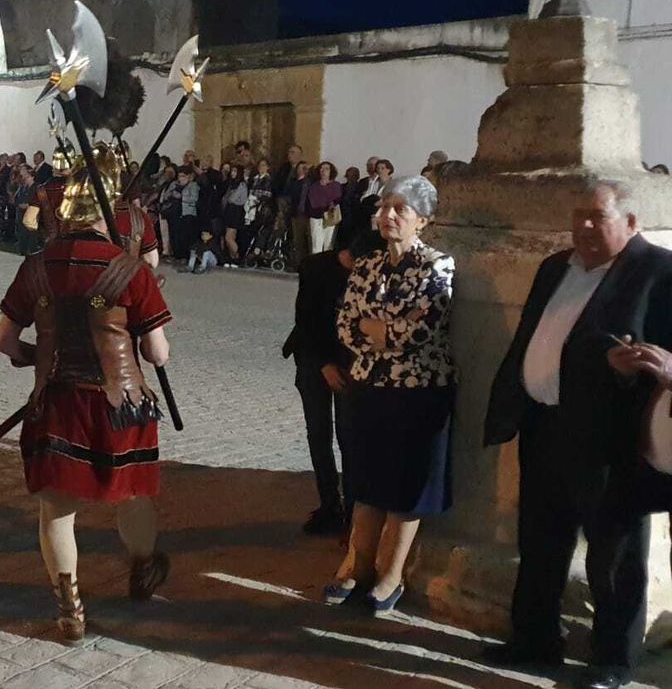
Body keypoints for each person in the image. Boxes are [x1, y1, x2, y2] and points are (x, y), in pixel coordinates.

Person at [482, 180, 672, 689]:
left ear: (631, 223)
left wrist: (661, 364)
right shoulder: (554, 267)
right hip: (544, 425)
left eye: (598, 216)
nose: (584, 227)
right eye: (578, 216)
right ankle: (536, 640)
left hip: (612, 442)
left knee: (614, 554)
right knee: (540, 542)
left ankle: (612, 659)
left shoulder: (659, 271)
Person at [0, 145, 174, 642]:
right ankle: (142, 569)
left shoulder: (35, 265)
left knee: (57, 511)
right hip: (123, 406)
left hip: (56, 402)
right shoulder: (131, 269)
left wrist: (35, 359)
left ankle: (70, 608)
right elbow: (158, 354)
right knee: (133, 496)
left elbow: (3, 341)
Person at [325, 176, 454, 614]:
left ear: (424, 219)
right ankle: (356, 565)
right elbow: (345, 326)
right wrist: (381, 330)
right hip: (369, 390)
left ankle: (391, 574)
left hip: (417, 394)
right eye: (385, 207)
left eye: (401, 209)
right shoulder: (366, 266)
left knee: (404, 486)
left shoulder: (437, 266)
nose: (388, 216)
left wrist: (374, 327)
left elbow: (419, 331)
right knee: (365, 481)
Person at [282, 230, 383, 536]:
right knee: (319, 434)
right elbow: (307, 319)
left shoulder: (372, 275)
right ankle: (330, 504)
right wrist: (324, 363)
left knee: (349, 436)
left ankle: (353, 512)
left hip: (350, 361)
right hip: (313, 357)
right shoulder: (315, 267)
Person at [303, 162, 344, 255]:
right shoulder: (314, 186)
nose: (323, 171)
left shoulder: (336, 185)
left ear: (331, 171)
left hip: (330, 216)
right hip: (316, 216)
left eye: (326, 169)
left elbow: (337, 199)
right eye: (321, 169)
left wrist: (329, 205)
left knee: (328, 244)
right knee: (316, 244)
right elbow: (312, 201)